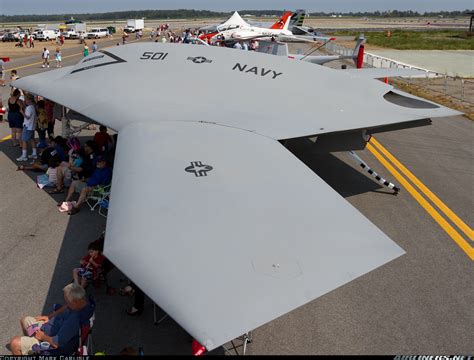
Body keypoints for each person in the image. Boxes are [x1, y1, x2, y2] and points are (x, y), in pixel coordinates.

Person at [8, 283, 94, 355]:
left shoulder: (74, 320)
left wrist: (42, 336)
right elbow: (66, 306)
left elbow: (56, 343)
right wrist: (49, 317)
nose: (65, 302)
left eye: (67, 300)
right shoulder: (83, 304)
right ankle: (30, 348)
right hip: (47, 329)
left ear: (74, 302)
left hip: (48, 341)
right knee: (24, 319)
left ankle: (32, 346)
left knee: (15, 343)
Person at [17, 94, 37, 162]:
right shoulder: (33, 106)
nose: (25, 101)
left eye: (26, 99)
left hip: (27, 126)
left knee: (24, 140)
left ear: (29, 100)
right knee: (32, 139)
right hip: (32, 126)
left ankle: (24, 156)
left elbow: (27, 117)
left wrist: (22, 112)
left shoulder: (29, 108)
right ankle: (34, 153)